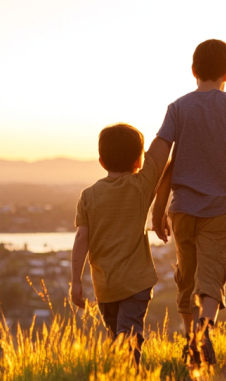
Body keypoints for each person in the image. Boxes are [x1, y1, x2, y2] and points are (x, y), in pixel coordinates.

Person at [151, 39, 226, 366]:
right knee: (212, 273)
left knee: (185, 277)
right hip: (221, 208)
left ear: (193, 71)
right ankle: (205, 329)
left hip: (182, 209)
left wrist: (155, 208)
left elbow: (164, 158)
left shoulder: (178, 108)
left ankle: (191, 341)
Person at [70, 123, 171, 366]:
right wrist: (173, 122)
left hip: (105, 285)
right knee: (128, 337)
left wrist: (75, 281)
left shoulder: (88, 195)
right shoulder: (141, 185)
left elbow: (81, 239)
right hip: (137, 282)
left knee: (118, 338)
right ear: (138, 161)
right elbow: (162, 149)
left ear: (101, 161)